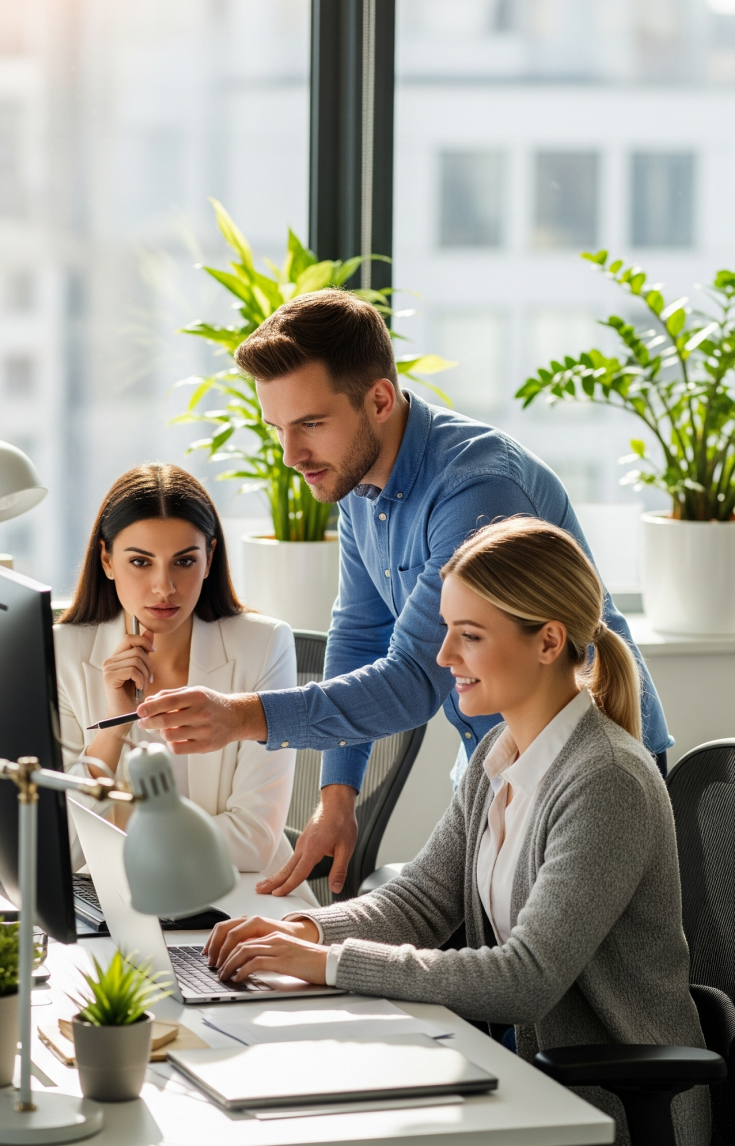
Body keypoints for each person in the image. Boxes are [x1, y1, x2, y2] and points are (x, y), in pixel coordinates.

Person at [135, 290, 672, 898]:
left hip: (585, 771)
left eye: (310, 424)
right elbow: (360, 634)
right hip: (495, 766)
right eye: (278, 429)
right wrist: (338, 793)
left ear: (380, 400)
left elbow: (415, 679)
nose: (291, 455)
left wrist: (240, 717)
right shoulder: (355, 480)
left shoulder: (477, 491)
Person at [201, 518, 708, 1146]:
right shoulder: (499, 752)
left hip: (609, 1108)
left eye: (469, 635)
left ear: (548, 641)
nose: (443, 657)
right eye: (445, 630)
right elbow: (421, 901)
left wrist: (326, 963)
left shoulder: (606, 780)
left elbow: (525, 980)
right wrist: (303, 931)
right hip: (522, 1075)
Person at [54, 463, 312, 899]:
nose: (164, 587)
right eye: (140, 562)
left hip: (240, 897)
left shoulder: (264, 645)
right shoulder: (63, 652)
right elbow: (60, 844)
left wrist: (116, 834)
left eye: (184, 561)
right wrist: (112, 730)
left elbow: (254, 841)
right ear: (107, 560)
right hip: (110, 899)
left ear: (209, 558)